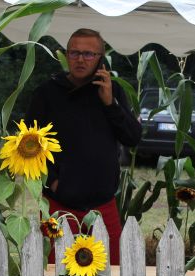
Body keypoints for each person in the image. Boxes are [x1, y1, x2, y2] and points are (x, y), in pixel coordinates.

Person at [26, 28, 142, 264]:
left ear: (100, 58)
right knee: (56, 272)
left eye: (89, 54)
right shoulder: (47, 93)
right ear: (66, 55)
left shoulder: (111, 90)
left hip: (103, 204)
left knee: (111, 273)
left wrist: (110, 103)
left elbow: (132, 137)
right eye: (75, 53)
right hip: (59, 205)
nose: (80, 59)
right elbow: (28, 144)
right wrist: (54, 181)